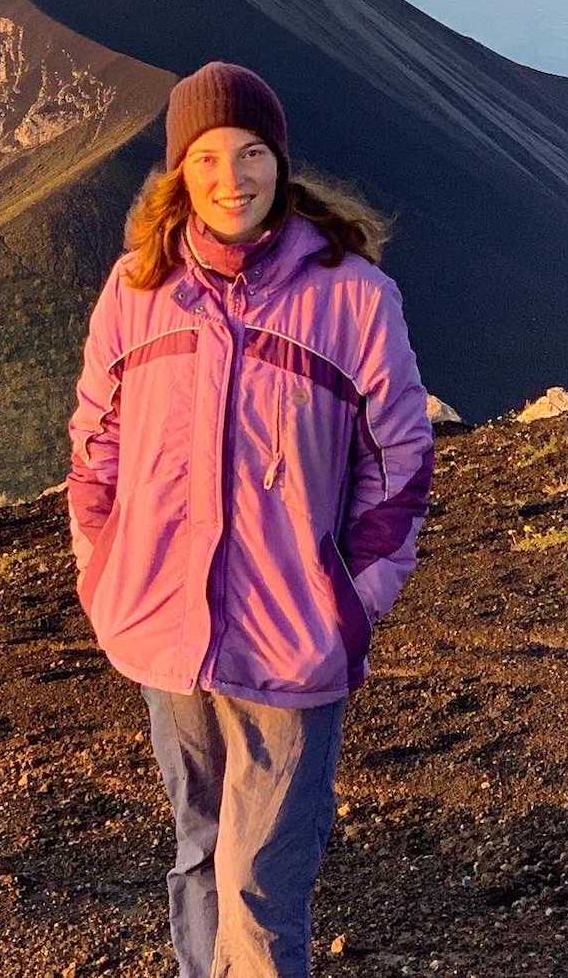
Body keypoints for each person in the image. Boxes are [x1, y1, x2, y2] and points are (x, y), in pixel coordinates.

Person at [66, 61, 434, 978]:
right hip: (166, 628)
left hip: (291, 636)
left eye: (252, 152)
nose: (233, 177)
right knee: (198, 849)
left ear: (281, 160)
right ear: (179, 175)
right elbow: (94, 444)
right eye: (208, 158)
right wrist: (107, 569)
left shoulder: (350, 297)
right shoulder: (137, 289)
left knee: (260, 877)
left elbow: (398, 462)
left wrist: (350, 597)